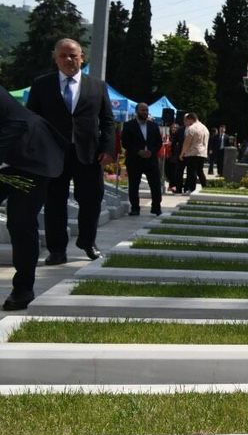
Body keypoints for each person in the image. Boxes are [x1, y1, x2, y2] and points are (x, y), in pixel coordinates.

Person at [26, 38, 115, 264]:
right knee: (54, 202)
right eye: (63, 55)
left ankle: (88, 242)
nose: (68, 60)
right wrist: (34, 151)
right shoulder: (42, 85)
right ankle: (57, 250)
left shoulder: (97, 86)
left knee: (92, 199)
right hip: (53, 153)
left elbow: (107, 120)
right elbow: (32, 119)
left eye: (73, 55)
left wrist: (107, 149)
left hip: (89, 153)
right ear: (55, 58)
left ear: (81, 57)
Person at [0, 89, 67, 310]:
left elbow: (16, 125)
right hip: (9, 158)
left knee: (20, 222)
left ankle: (23, 289)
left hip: (33, 155)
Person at [121, 102, 162, 215]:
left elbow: (158, 142)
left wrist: (151, 152)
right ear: (137, 111)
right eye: (142, 110)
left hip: (151, 160)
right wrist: (138, 151)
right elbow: (125, 143)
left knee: (155, 184)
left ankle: (156, 207)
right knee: (134, 185)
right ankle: (135, 208)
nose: (145, 112)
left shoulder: (153, 126)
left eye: (146, 110)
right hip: (135, 160)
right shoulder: (128, 125)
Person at [180, 112, 209, 192]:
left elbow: (187, 142)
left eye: (187, 120)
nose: (187, 123)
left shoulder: (192, 128)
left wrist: (182, 153)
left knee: (191, 172)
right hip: (202, 153)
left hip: (193, 152)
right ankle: (205, 187)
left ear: (190, 119)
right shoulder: (205, 128)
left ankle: (192, 189)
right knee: (200, 171)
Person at [164, 122, 184, 192]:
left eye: (175, 128)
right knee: (167, 171)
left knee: (174, 173)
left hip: (176, 157)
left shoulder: (180, 137)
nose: (173, 129)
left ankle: (174, 186)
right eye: (172, 127)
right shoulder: (168, 136)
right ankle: (171, 185)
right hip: (168, 156)